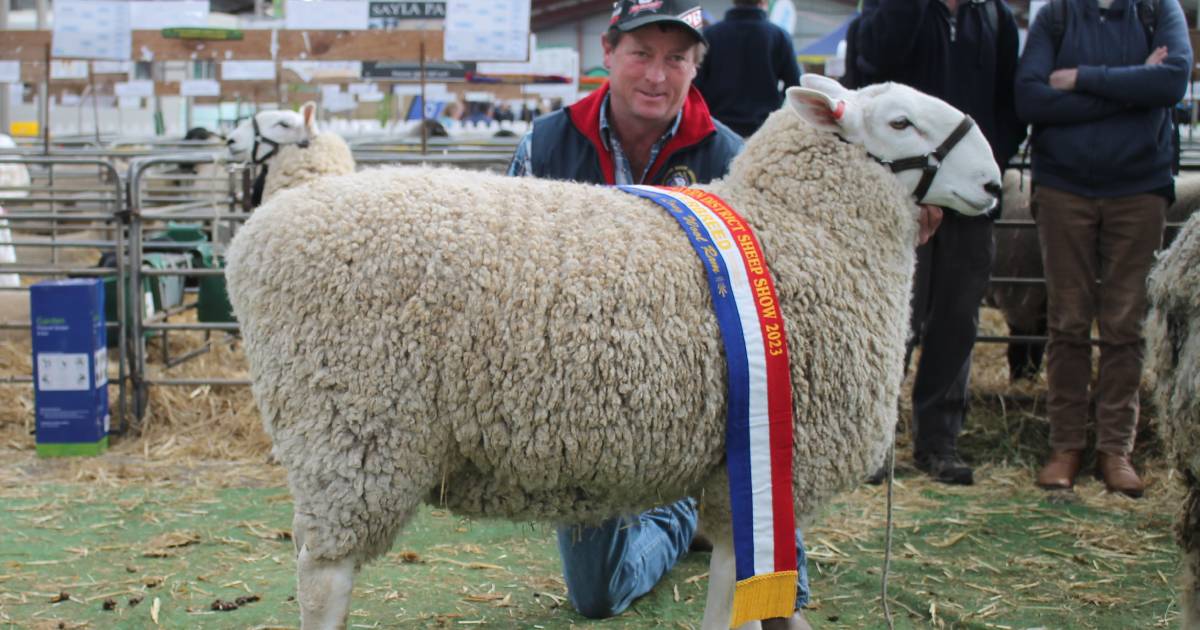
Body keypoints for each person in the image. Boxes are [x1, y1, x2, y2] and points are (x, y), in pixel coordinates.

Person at [507, 0, 811, 626]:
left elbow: (770, 311)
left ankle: (746, 546)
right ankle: (679, 520)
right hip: (585, 405)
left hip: (701, 407)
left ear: (697, 67)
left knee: (780, 581)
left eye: (676, 58)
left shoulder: (732, 161)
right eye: (642, 54)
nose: (656, 74)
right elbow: (507, 271)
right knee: (596, 597)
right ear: (608, 55)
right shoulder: (544, 146)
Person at [1016, 0, 1191, 497]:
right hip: (1064, 188)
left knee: (1124, 324)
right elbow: (1030, 99)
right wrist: (1133, 88)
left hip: (1138, 187)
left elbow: (1172, 82)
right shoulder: (1056, 17)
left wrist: (1080, 78)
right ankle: (1066, 446)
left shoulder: (1160, 11)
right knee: (1067, 321)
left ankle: (1116, 449)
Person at [854, 0, 1026, 485]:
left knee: (957, 317)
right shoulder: (895, 9)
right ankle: (874, 441)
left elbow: (1008, 99)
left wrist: (978, 169)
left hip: (969, 199)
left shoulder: (994, 17)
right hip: (902, 196)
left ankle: (938, 442)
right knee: (892, 318)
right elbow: (870, 69)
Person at [693, 0, 802, 138]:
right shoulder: (779, 36)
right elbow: (795, 84)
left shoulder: (710, 35)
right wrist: (776, 105)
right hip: (764, 131)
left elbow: (695, 85)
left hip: (717, 131)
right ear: (764, 1)